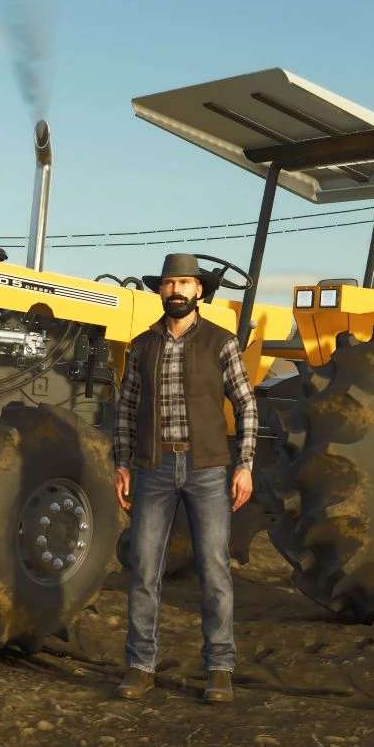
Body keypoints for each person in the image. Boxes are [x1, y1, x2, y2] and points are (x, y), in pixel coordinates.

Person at [111, 252, 257, 703]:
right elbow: (126, 408)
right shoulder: (142, 346)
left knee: (214, 571)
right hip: (152, 469)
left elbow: (246, 404)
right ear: (161, 290)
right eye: (169, 283)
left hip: (207, 469)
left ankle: (219, 669)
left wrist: (245, 464)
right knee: (143, 571)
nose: (176, 291)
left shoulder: (221, 342)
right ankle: (140, 666)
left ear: (199, 291)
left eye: (185, 283)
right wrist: (121, 463)